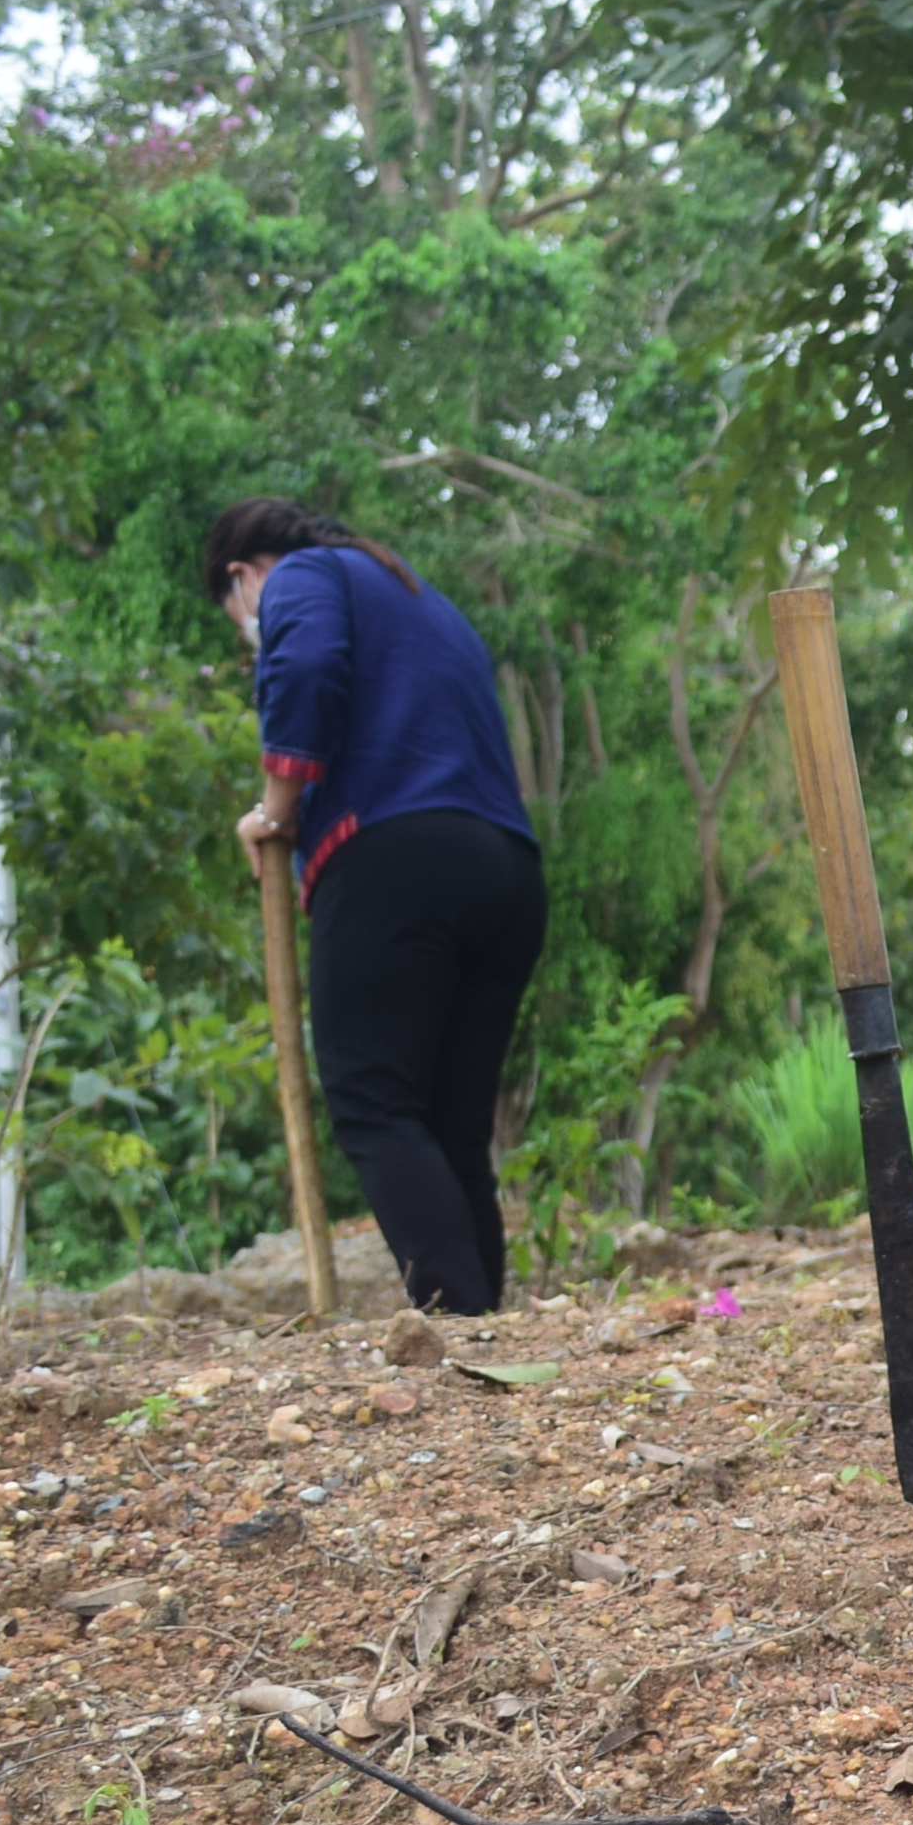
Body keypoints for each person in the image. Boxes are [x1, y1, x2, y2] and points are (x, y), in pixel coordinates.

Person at [208, 498, 548, 1318]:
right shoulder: (422, 599)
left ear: (240, 578)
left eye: (236, 618)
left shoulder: (304, 578)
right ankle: (480, 1331)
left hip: (394, 856)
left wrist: (276, 808)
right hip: (505, 870)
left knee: (373, 1101)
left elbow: (305, 667)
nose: (249, 627)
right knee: (450, 1124)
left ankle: (451, 1314)